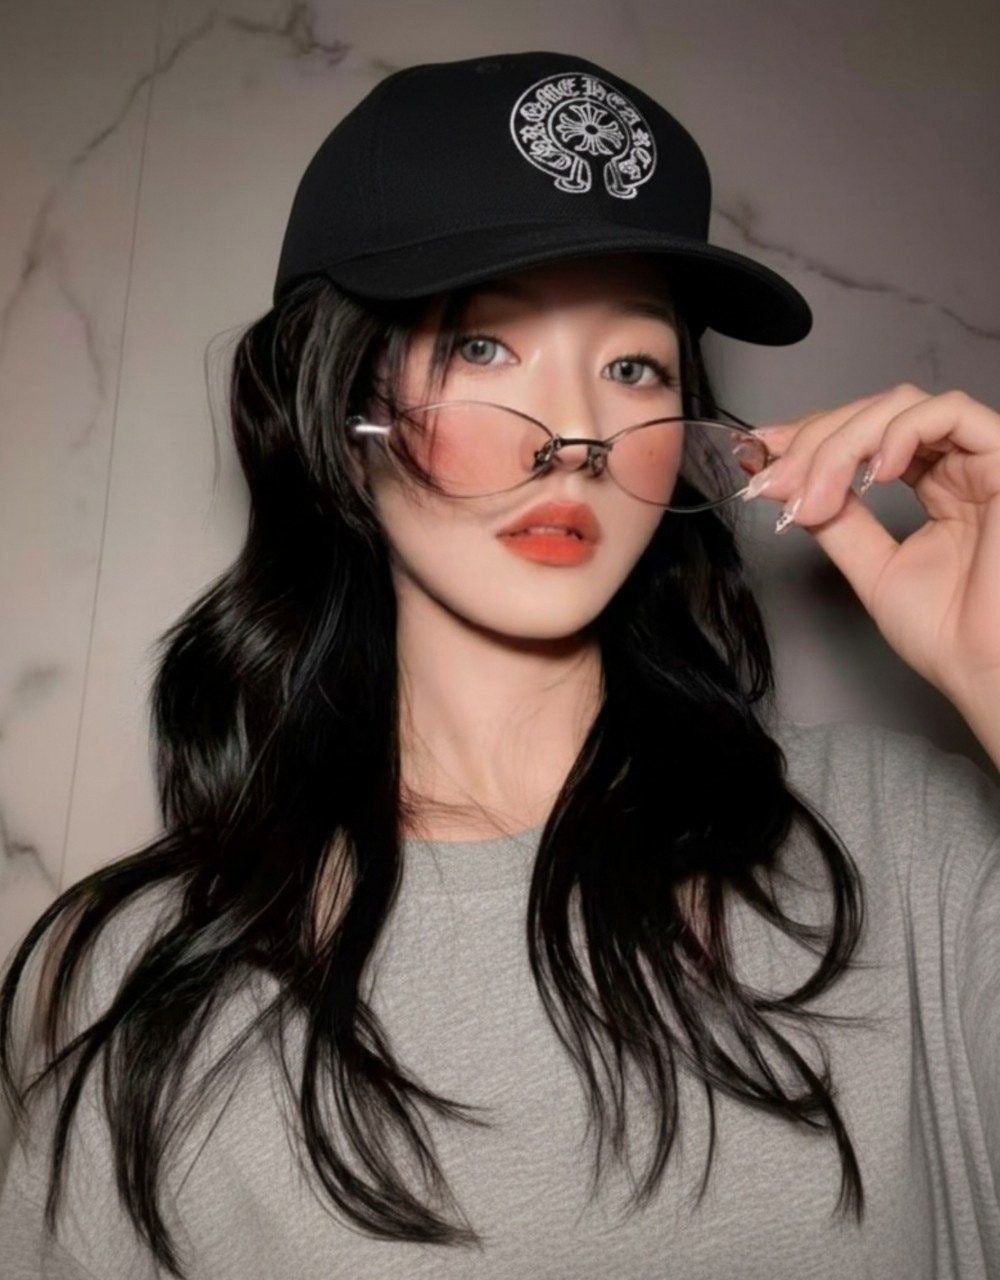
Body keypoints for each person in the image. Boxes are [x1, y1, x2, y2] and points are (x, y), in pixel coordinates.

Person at [1, 49, 998, 1280]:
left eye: (633, 366)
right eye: (483, 346)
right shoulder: (148, 975)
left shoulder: (903, 839)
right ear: (338, 410)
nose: (575, 435)